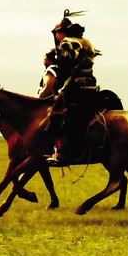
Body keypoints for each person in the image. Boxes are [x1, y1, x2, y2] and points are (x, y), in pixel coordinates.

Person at [42, 10, 102, 165]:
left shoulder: (67, 44)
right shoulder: (86, 44)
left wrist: (54, 69)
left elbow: (65, 69)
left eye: (57, 32)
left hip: (75, 87)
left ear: (63, 32)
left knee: (57, 114)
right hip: (90, 84)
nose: (56, 35)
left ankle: (61, 152)